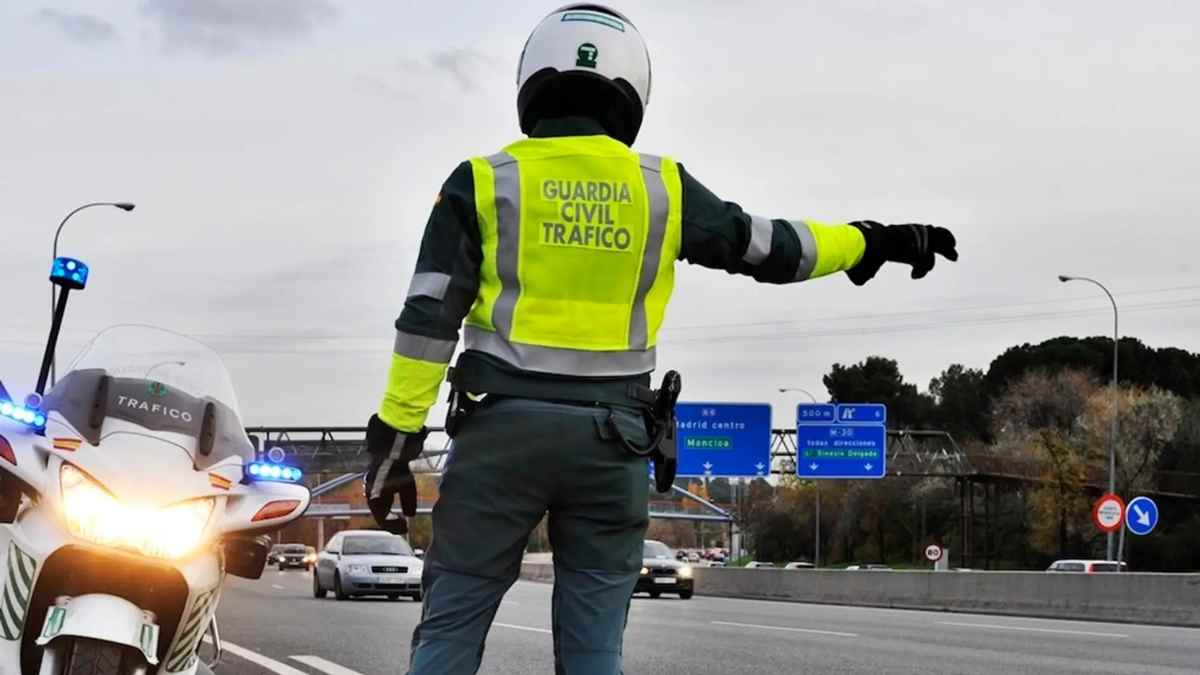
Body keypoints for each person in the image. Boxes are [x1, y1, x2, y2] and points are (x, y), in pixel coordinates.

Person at [362, 4, 958, 674]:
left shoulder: (482, 181)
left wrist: (397, 432)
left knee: (450, 627)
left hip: (499, 439)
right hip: (613, 445)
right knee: (594, 647)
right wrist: (869, 241)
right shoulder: (661, 189)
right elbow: (768, 245)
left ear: (531, 82)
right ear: (631, 92)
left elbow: (428, 318)